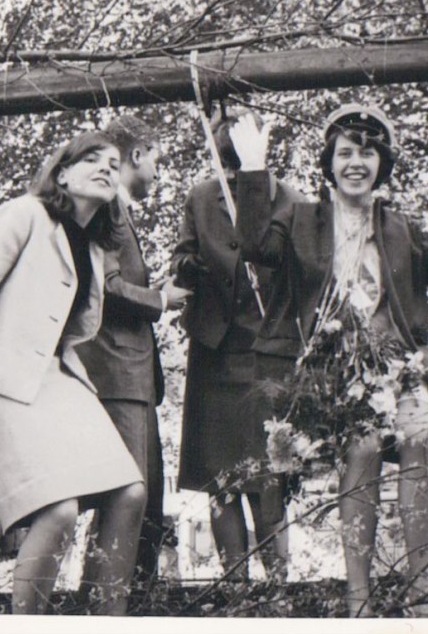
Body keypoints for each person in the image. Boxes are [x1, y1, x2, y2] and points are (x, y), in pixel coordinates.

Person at [231, 104, 428, 616]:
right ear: (330, 162)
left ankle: (423, 589)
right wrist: (253, 170)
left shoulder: (398, 227)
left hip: (396, 365)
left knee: (421, 435)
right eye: (345, 153)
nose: (356, 163)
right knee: (363, 446)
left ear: (382, 164)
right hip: (329, 371)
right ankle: (357, 597)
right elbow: (254, 248)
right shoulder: (301, 219)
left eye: (367, 153)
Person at [0, 131, 146, 615]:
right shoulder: (23, 214)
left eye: (114, 164)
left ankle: (104, 619)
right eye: (92, 159)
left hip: (56, 375)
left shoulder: (93, 246)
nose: (106, 168)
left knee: (130, 493)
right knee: (59, 509)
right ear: (61, 174)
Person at [171, 107, 305, 580]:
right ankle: (234, 589)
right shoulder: (200, 197)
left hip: (267, 356)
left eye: (238, 164)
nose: (229, 175)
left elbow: (292, 267)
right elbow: (182, 255)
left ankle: (279, 586)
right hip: (214, 354)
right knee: (221, 481)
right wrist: (189, 267)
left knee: (268, 478)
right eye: (225, 165)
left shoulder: (288, 199)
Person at [76, 115, 190, 595]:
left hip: (133, 376)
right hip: (117, 372)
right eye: (156, 161)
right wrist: (161, 299)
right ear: (137, 154)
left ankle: (125, 600)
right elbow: (106, 287)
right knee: (126, 498)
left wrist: (153, 289)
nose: (157, 173)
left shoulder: (118, 209)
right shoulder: (108, 208)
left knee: (141, 500)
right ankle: (107, 604)